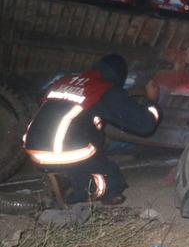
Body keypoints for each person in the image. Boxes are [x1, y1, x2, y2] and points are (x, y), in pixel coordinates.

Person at [22, 54, 161, 205]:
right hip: (60, 152)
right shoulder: (102, 88)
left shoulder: (65, 80)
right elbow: (144, 125)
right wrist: (151, 101)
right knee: (113, 180)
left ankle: (62, 176)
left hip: (33, 149)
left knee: (87, 141)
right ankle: (73, 188)